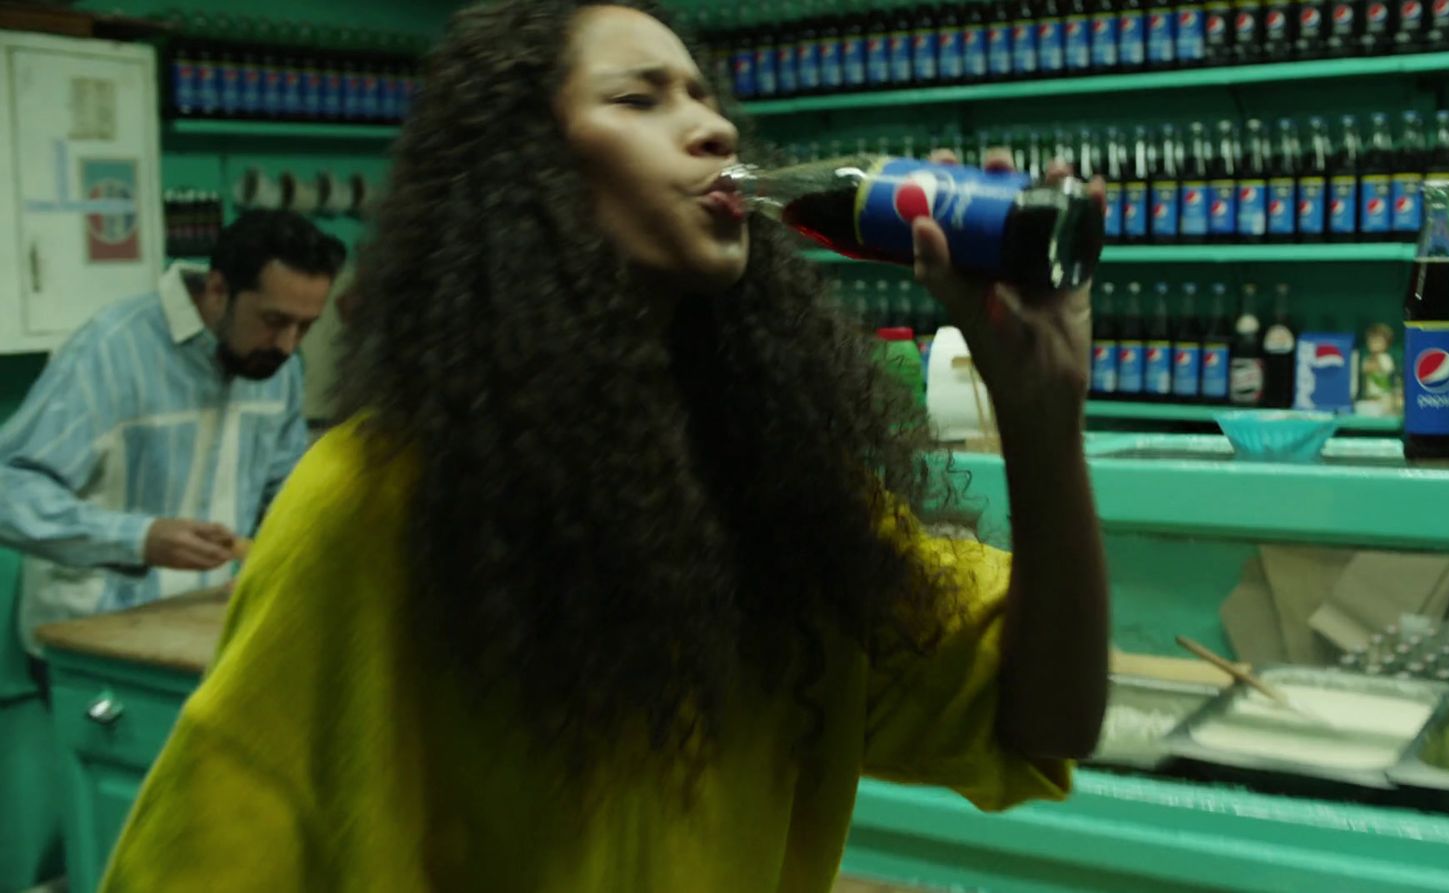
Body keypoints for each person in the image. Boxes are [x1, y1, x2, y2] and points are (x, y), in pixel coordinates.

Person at [99, 2, 1108, 891]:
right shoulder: (378, 501)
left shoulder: (785, 496)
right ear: (529, 174)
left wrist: (1043, 423)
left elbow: (1046, 721)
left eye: (705, 97)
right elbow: (208, 849)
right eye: (640, 99)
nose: (711, 124)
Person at [0, 210, 346, 656]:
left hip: (206, 630)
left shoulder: (277, 368)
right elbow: (9, 487)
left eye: (305, 327)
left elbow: (284, 496)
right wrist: (138, 539)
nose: (288, 345)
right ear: (218, 291)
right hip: (94, 643)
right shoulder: (111, 349)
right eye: (274, 321)